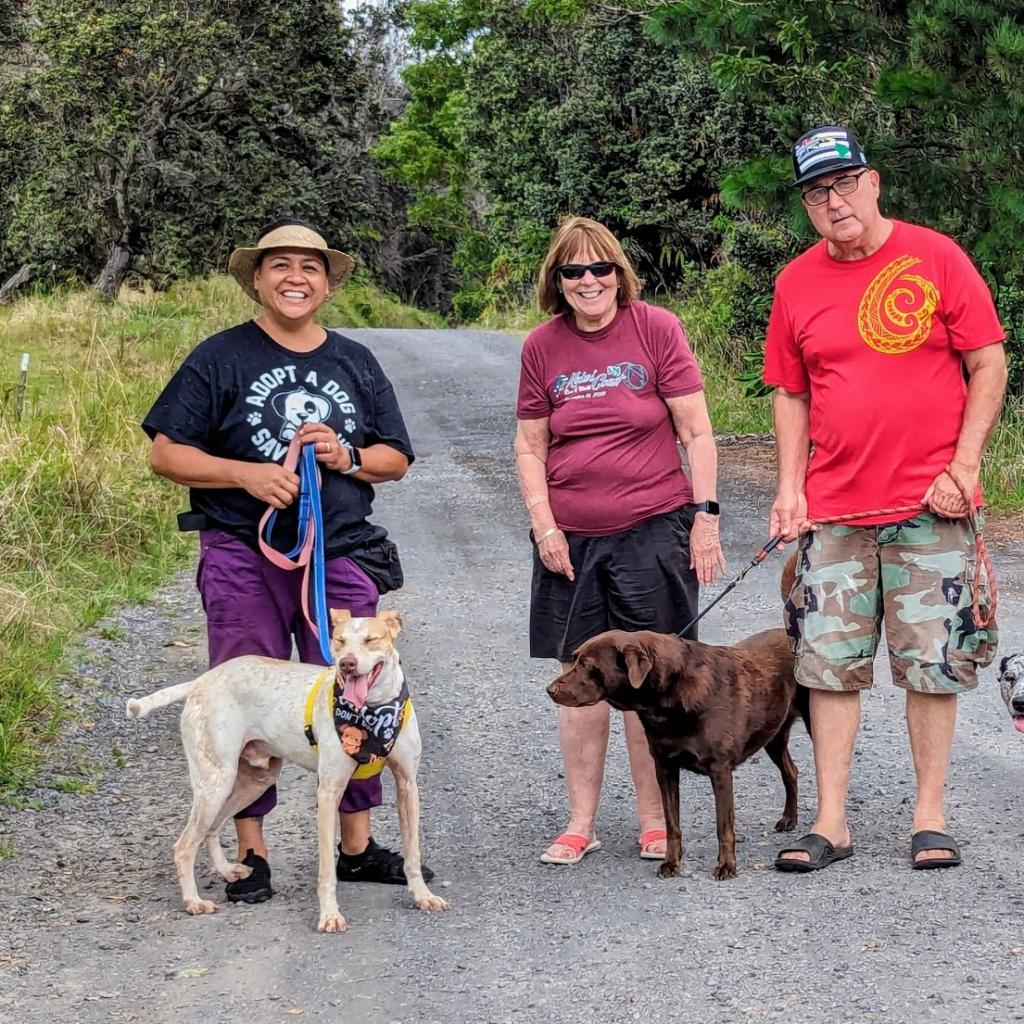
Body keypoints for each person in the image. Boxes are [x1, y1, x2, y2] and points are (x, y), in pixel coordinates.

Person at [143, 218, 431, 901]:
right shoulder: (219, 358)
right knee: (247, 701)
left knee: (359, 692)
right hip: (243, 551)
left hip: (340, 551)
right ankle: (251, 853)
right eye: (280, 266)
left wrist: (347, 457)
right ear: (258, 279)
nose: (295, 278)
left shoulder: (355, 361)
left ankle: (356, 845)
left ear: (328, 284)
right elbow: (166, 453)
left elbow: (395, 458)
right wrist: (244, 475)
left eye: (309, 267)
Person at [764, 126, 1007, 872]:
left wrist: (964, 466)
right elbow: (790, 391)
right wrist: (789, 488)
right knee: (828, 667)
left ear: (872, 183)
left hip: (931, 505)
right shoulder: (796, 282)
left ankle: (928, 816)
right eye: (815, 192)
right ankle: (831, 822)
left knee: (933, 664)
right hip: (835, 511)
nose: (831, 202)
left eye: (842, 184)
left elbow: (988, 361)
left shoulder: (936, 257)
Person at [514, 215, 726, 865]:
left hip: (654, 530)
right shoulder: (541, 347)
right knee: (580, 681)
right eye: (573, 271)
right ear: (557, 280)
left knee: (651, 683)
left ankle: (655, 820)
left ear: (618, 273)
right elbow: (529, 445)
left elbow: (696, 432)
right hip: (571, 540)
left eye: (599, 267)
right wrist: (544, 526)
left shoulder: (656, 329)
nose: (588, 281)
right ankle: (580, 822)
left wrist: (706, 520)